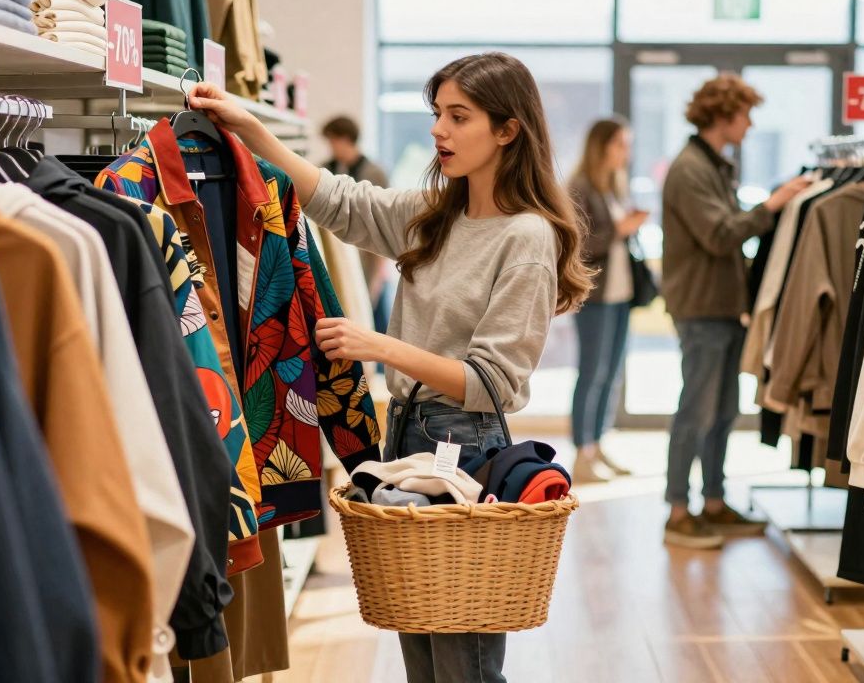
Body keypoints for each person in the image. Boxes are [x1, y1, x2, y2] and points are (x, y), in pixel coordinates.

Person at [188, 52, 591, 683]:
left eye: (459, 117)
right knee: (423, 662)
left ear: (508, 130)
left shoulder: (527, 238)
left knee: (465, 666)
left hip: (467, 447)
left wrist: (378, 346)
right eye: (438, 114)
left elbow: (492, 384)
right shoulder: (438, 213)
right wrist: (250, 130)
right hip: (406, 440)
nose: (439, 131)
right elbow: (338, 201)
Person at [660, 74, 813, 550]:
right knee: (697, 411)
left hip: (720, 307)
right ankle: (679, 512)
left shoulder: (712, 164)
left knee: (722, 410)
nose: (749, 124)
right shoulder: (691, 170)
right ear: (724, 115)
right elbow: (720, 234)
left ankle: (712, 502)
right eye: (745, 114)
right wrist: (773, 205)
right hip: (702, 307)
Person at [567, 116, 649, 484]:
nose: (626, 153)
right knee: (592, 373)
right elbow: (578, 247)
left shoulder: (613, 186)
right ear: (602, 147)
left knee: (612, 373)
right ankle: (582, 451)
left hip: (619, 295)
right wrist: (621, 229)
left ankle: (597, 445)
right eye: (621, 145)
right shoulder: (579, 188)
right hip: (594, 297)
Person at [321, 115, 395, 334]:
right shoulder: (327, 168)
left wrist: (376, 280)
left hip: (369, 260)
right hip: (337, 259)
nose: (331, 147)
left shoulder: (374, 173)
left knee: (374, 326)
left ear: (345, 139)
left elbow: (383, 222)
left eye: (333, 141)